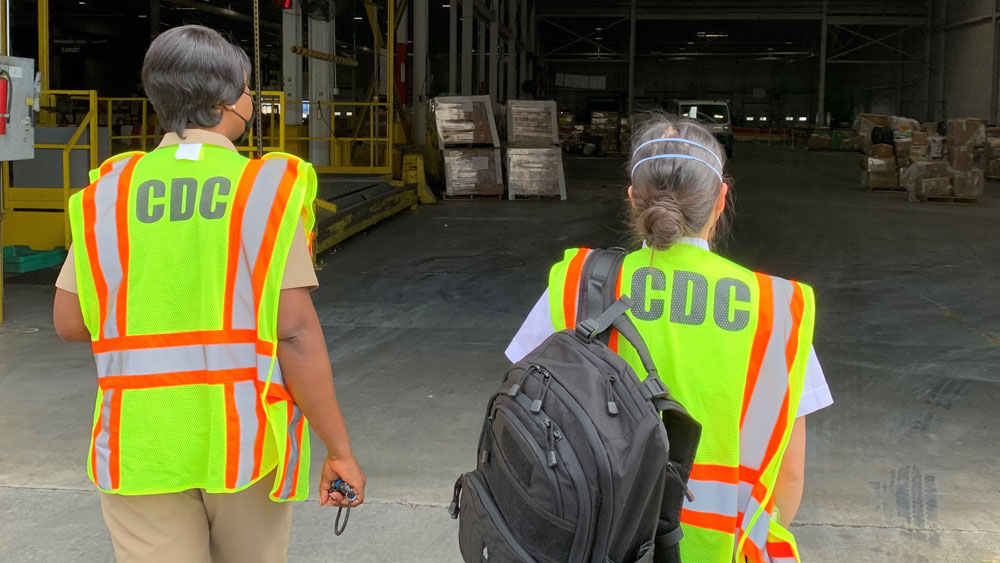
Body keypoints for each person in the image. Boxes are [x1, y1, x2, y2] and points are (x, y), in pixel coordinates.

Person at [52, 25, 365, 563]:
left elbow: (71, 322)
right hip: (241, 441)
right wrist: (339, 451)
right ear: (225, 102)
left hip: (139, 442)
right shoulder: (262, 189)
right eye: (249, 92)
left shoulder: (108, 191)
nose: (251, 102)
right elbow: (293, 331)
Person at [505, 115, 832, 563]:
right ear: (721, 199)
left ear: (633, 200)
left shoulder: (576, 285)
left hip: (591, 546)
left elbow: (522, 422)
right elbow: (789, 478)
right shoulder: (776, 309)